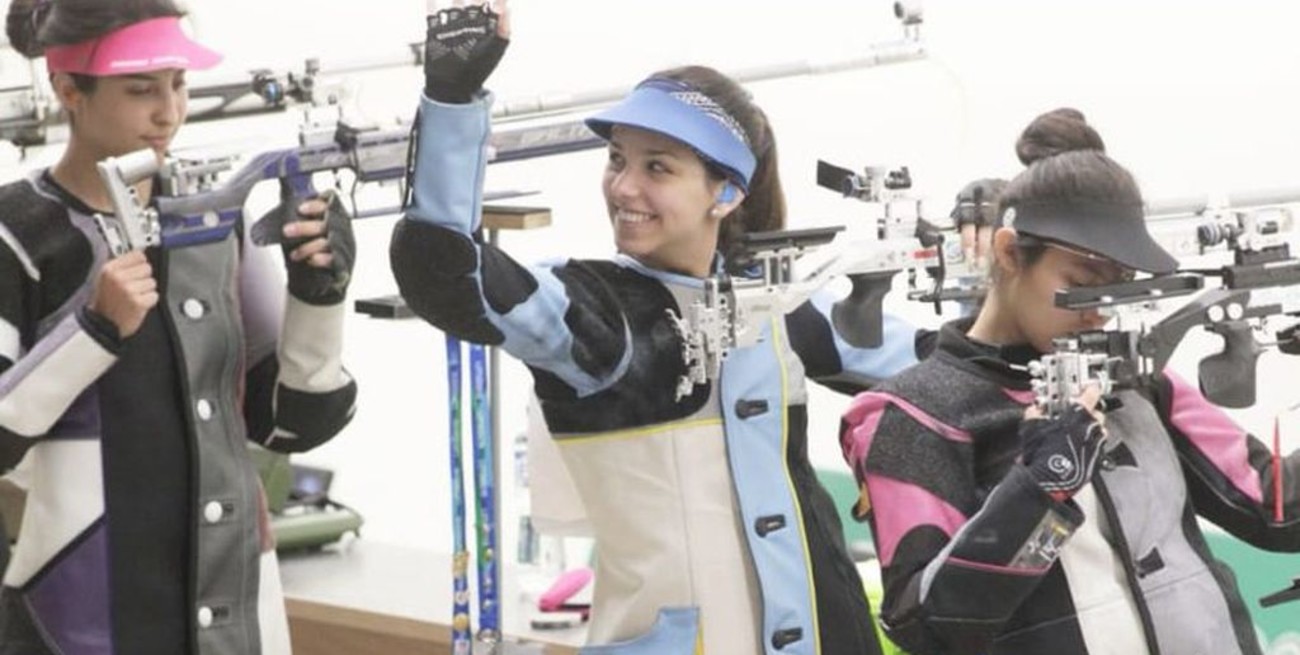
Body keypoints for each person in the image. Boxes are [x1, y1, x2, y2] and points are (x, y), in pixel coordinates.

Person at [390, 3, 933, 653]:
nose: (623, 186)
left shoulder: (780, 302)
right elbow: (443, 270)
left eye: (657, 167)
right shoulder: (592, 310)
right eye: (617, 159)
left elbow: (942, 366)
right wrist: (452, 96)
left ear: (726, 193)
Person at [840, 107, 1300, 655]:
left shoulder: (1139, 380)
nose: (1098, 312)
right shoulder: (911, 415)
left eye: (1120, 289)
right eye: (1081, 286)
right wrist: (1044, 485)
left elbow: (1276, 513)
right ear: (1011, 254)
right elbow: (931, 626)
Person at [0, 1, 358, 653]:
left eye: (179, 84)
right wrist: (94, 332)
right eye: (141, 89)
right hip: (79, 611)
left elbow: (292, 423)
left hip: (236, 610)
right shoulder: (15, 232)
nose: (169, 112)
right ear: (67, 90)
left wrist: (320, 296)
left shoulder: (210, 221)